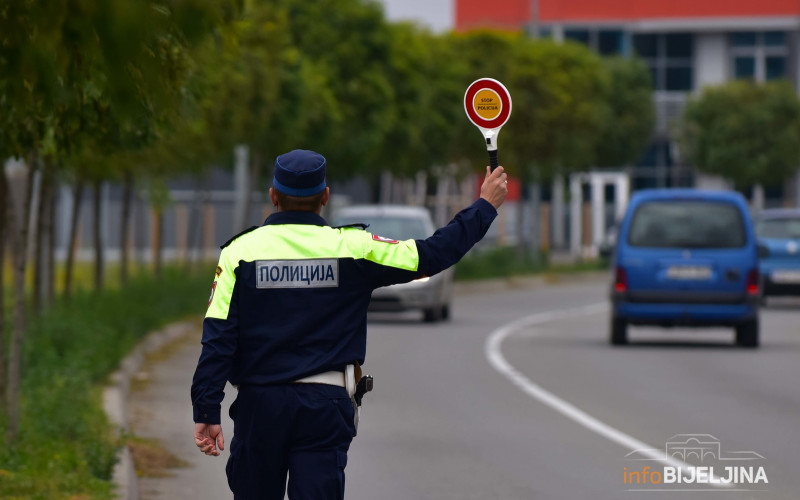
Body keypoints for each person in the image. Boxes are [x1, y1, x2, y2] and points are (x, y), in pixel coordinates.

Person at [191, 149, 507, 499]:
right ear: (325, 196)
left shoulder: (239, 253)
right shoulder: (354, 248)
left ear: (273, 196)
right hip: (324, 407)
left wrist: (206, 407)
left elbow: (218, 337)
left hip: (260, 407)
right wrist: (485, 206)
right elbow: (431, 254)